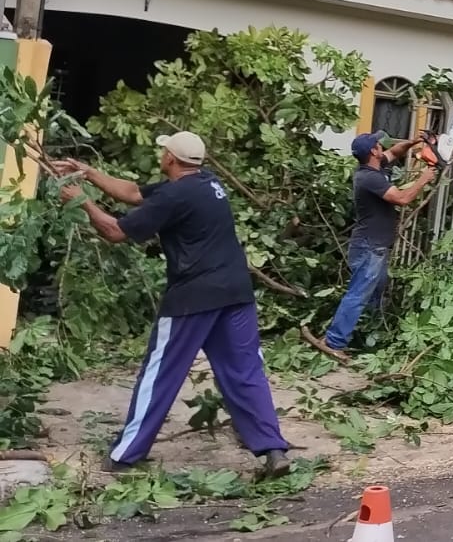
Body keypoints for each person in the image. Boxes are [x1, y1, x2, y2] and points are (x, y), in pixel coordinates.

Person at [54, 132, 293, 477]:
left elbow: (115, 232)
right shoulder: (206, 183)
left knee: (160, 374)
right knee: (246, 372)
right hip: (235, 292)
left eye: (163, 151)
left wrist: (80, 201)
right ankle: (273, 450)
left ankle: (124, 456)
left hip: (193, 297)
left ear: (169, 158)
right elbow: (134, 193)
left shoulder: (175, 196)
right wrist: (89, 173)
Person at [308, 131, 435, 361]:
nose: (382, 145)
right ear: (373, 152)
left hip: (376, 245)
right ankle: (334, 341)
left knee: (375, 293)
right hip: (369, 247)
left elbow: (395, 151)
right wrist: (423, 179)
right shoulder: (369, 178)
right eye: (378, 144)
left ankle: (364, 336)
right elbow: (402, 199)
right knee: (358, 294)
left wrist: (414, 141)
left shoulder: (374, 165)